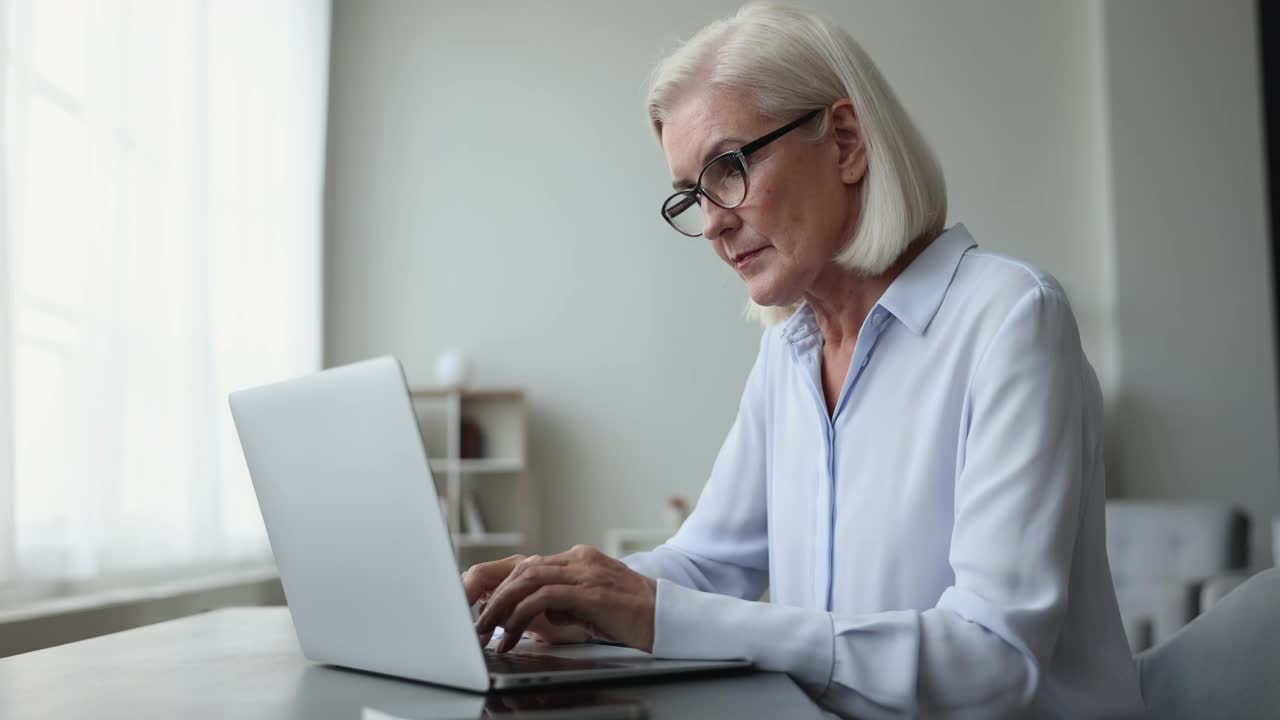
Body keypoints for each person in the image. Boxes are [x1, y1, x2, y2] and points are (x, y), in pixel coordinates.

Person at [464, 3, 1144, 717]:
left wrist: (652, 611)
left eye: (728, 168)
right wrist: (571, 597)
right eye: (691, 195)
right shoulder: (788, 353)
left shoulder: (1011, 318)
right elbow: (710, 564)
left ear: (846, 141)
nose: (713, 222)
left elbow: (990, 660)